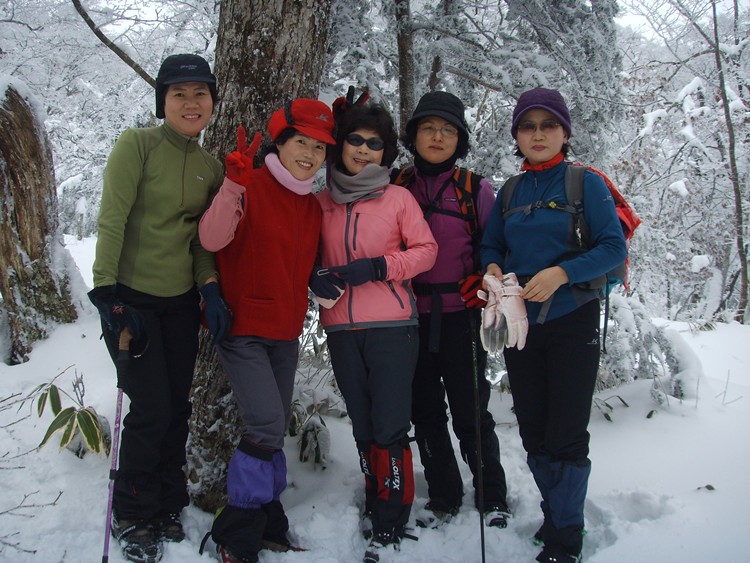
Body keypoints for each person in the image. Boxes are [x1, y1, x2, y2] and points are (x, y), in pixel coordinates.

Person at [88, 53, 229, 563]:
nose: (192, 103)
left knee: (178, 410)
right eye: (179, 94)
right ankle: (131, 510)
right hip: (132, 302)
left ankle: (167, 502)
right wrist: (107, 294)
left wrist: (209, 287)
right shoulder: (138, 145)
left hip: (179, 305)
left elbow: (200, 242)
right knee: (150, 411)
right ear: (162, 102)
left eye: (201, 93)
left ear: (213, 101)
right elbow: (112, 218)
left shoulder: (210, 167)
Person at [480, 87, 627, 563]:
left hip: (572, 320)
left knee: (565, 433)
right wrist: (494, 270)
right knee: (534, 431)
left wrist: (563, 272)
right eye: (528, 126)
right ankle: (555, 513)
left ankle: (566, 538)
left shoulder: (585, 184)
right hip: (523, 323)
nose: (538, 134)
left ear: (565, 132)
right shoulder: (511, 191)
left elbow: (612, 248)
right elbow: (492, 247)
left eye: (548, 125)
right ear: (517, 136)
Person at [198, 98, 336, 563]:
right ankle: (236, 531)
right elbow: (211, 240)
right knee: (265, 424)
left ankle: (267, 519)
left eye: (319, 147)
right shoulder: (249, 184)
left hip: (284, 330)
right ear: (280, 142)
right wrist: (233, 187)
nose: (310, 154)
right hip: (243, 329)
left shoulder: (311, 207)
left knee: (272, 430)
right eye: (302, 142)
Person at [310, 102, 437, 562]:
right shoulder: (320, 201)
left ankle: (392, 515)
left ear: (386, 153)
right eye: (356, 140)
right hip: (341, 330)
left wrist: (381, 266)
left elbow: (426, 252)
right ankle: (374, 495)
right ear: (340, 145)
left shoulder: (398, 199)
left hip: (392, 328)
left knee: (388, 424)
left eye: (375, 143)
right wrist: (312, 275)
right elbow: (304, 255)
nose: (364, 150)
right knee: (363, 424)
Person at [390, 91, 511, 529]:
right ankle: (443, 493)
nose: (437, 137)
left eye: (447, 130)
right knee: (423, 410)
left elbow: (494, 248)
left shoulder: (475, 189)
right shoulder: (395, 184)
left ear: (459, 140)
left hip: (461, 316)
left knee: (470, 409)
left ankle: (491, 494)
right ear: (414, 136)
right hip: (407, 317)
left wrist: (484, 281)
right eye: (428, 128)